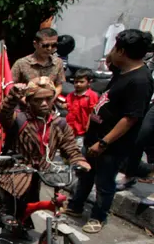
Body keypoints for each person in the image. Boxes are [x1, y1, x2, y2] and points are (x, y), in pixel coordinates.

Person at [66, 29, 154, 233]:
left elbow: (130, 118)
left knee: (104, 182)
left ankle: (98, 217)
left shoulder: (140, 80)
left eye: (114, 48)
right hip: (94, 137)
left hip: (111, 145)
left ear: (122, 51)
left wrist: (104, 142)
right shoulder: (123, 71)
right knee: (86, 175)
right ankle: (76, 206)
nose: (111, 52)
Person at [0, 77, 90, 238]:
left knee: (32, 200)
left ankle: (23, 220)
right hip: (15, 169)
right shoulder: (19, 119)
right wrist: (13, 95)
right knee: (14, 202)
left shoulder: (59, 123)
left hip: (41, 171)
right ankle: (5, 214)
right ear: (30, 101)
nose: (45, 103)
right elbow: (2, 113)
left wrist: (77, 159)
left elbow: (69, 145)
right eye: (39, 100)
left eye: (48, 98)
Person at [11, 28, 66, 96]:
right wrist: (24, 100)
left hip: (48, 104)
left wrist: (50, 100)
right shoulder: (21, 63)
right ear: (35, 44)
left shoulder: (58, 62)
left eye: (54, 45)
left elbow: (59, 86)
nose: (49, 49)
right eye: (45, 45)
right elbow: (11, 86)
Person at [64, 69, 99, 145]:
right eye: (76, 82)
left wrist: (89, 125)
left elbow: (93, 112)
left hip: (82, 130)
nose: (78, 84)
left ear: (89, 83)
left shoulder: (92, 96)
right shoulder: (70, 95)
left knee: (78, 150)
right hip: (70, 129)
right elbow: (68, 108)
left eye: (81, 82)